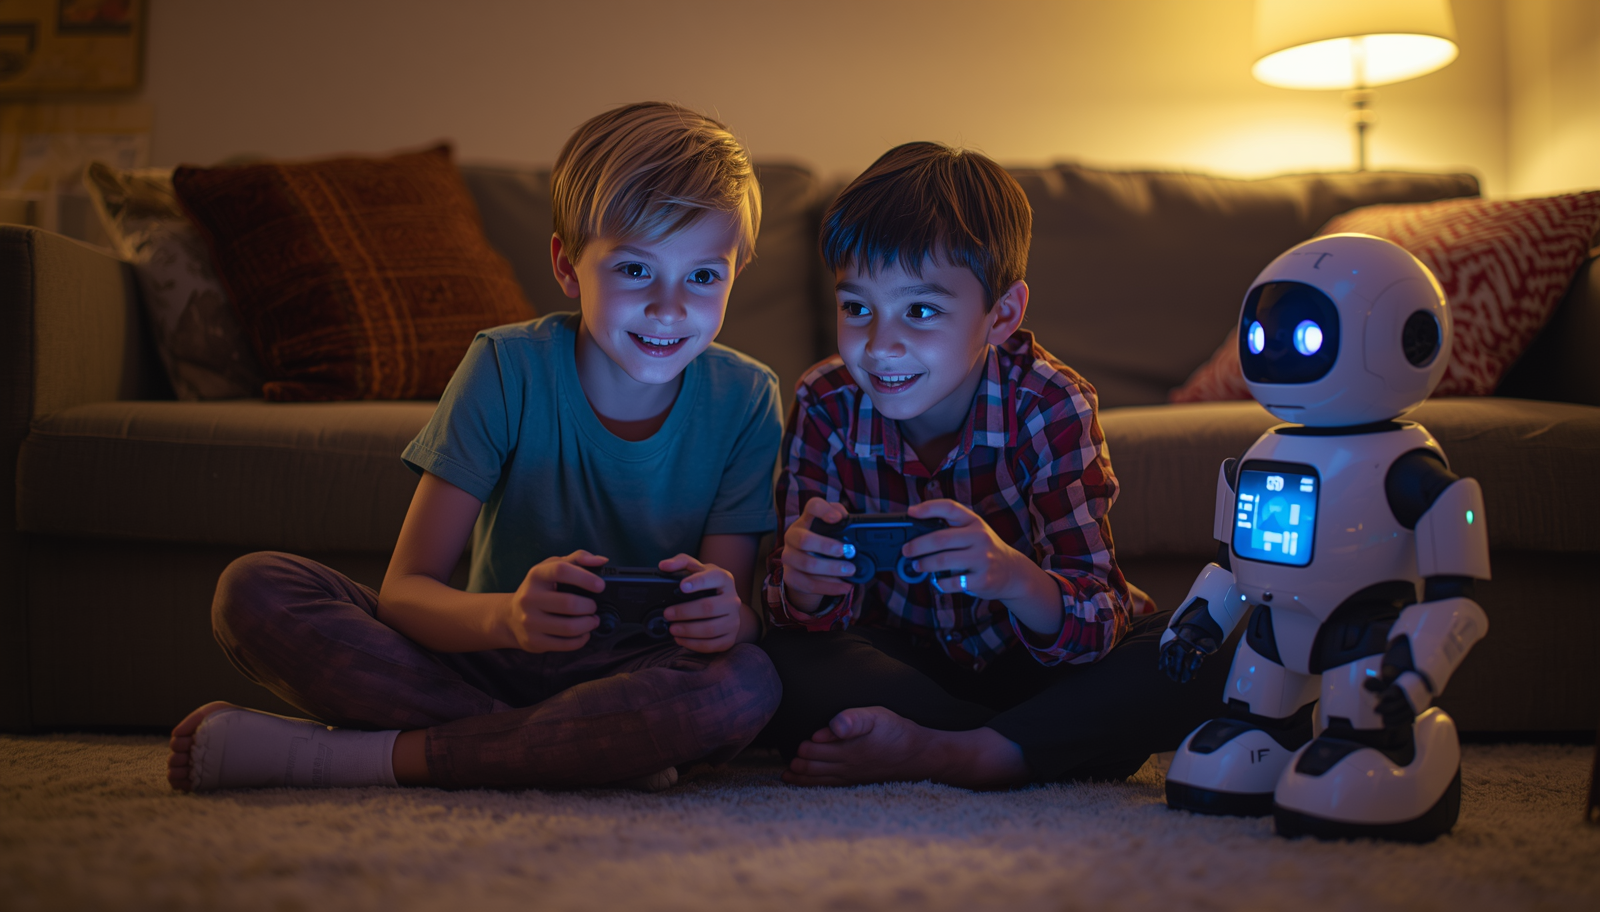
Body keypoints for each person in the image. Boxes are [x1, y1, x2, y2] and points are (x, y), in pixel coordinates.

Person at [167, 102, 783, 793]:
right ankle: (581, 750)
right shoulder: (504, 367)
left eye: (703, 276)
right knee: (254, 590)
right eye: (636, 270)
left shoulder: (748, 397)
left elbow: (730, 616)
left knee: (746, 684)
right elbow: (406, 594)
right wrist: (511, 617)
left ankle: (371, 759)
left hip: (639, 675)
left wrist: (729, 618)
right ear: (565, 263)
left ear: (737, 272)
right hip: (489, 654)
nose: (670, 307)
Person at [760, 141, 1230, 789]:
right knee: (778, 666)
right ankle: (1033, 742)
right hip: (904, 664)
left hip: (1032, 658)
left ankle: (966, 749)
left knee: (1215, 647)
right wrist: (806, 584)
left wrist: (1011, 576)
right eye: (856, 307)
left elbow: (1095, 610)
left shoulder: (1052, 403)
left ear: (1001, 315)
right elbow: (795, 613)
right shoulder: (824, 401)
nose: (878, 344)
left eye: (920, 310)